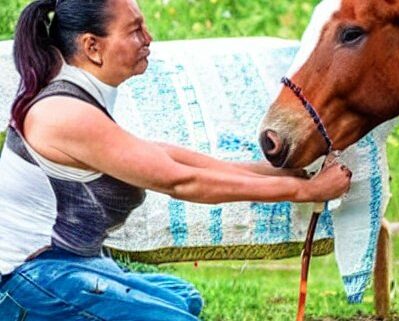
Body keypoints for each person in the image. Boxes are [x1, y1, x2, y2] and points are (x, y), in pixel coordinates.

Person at [0, 0, 352, 320]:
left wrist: (290, 176)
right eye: (135, 29)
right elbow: (180, 181)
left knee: (184, 298)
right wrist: (305, 192)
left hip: (66, 265)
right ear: (93, 46)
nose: (148, 38)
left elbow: (169, 158)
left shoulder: (81, 98)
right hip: (26, 278)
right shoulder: (64, 112)